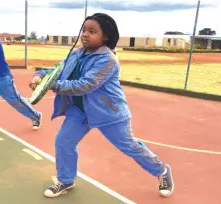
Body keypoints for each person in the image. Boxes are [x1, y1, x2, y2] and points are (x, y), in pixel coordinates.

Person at [29, 13, 174, 198]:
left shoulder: (108, 60)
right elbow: (58, 69)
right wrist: (41, 75)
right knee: (64, 141)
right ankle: (65, 180)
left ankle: (162, 170)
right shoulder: (76, 53)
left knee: (128, 146)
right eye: (84, 30)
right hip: (80, 111)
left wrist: (49, 85)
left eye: (92, 31)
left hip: (108, 112)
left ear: (105, 36)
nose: (85, 34)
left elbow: (85, 85)